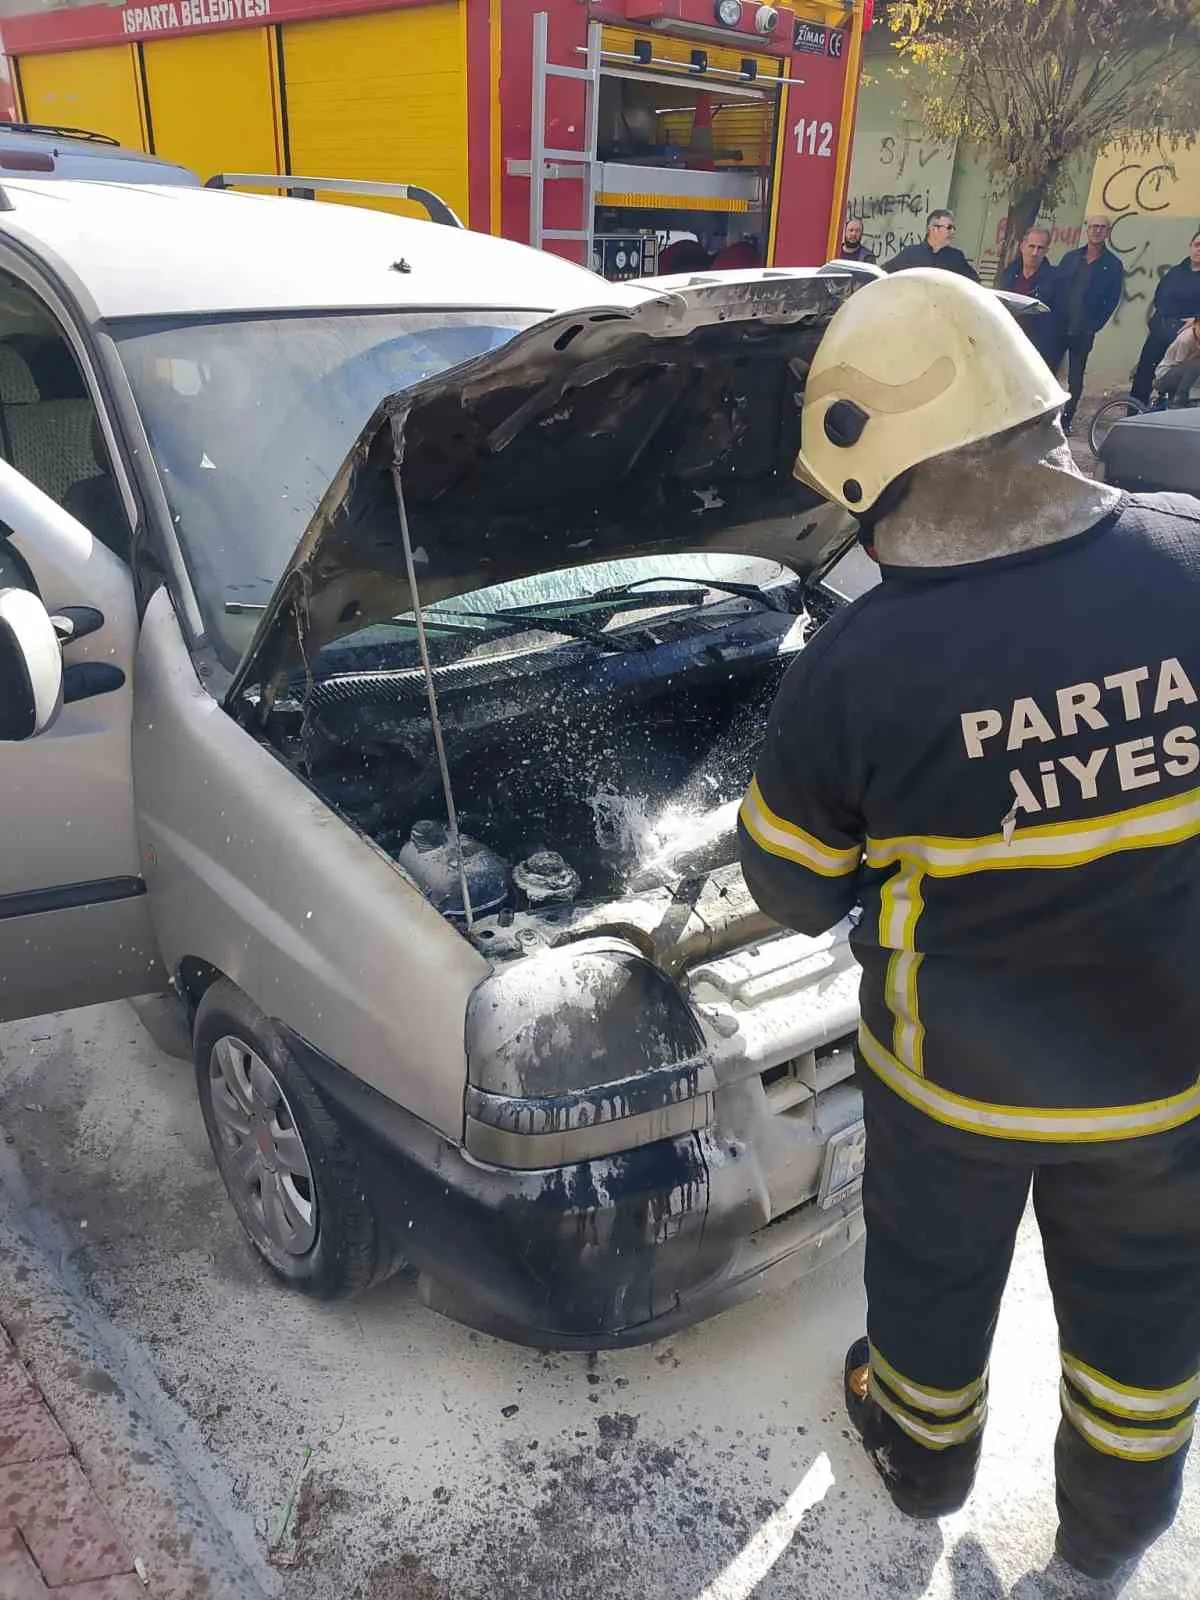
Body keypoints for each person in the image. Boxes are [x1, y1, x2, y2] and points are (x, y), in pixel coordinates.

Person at [737, 267, 1200, 1588]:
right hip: (1170, 1082)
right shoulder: (1191, 560)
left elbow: (787, 883)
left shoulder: (866, 666)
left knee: (933, 1289)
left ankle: (923, 1457)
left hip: (958, 1090)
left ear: (882, 476)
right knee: (1146, 1327)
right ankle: (1104, 1555)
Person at [1047, 216, 1124, 431]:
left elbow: (1112, 299)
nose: (1097, 231)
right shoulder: (1071, 258)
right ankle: (1043, 416)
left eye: (1101, 227)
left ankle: (1066, 419)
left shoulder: (1113, 265)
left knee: (1076, 377)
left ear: (1107, 232)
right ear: (1087, 230)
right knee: (1047, 371)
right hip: (1060, 325)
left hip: (1084, 330)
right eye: (1093, 227)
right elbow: (1056, 287)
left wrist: (1095, 325)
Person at [1131, 231, 1200, 405]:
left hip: (1184, 334)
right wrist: (1155, 324)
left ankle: (1169, 415)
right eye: (1197, 245)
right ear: (1190, 246)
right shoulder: (1175, 272)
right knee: (1144, 373)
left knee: (1175, 377)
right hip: (1160, 329)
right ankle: (1133, 415)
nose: (1199, 250)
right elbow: (1159, 297)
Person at [999, 225, 1059, 365]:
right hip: (1006, 343)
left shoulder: (1055, 280)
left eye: (1040, 248)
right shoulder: (1009, 274)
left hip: (1036, 351)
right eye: (1031, 246)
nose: (1034, 253)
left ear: (1046, 251)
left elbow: (1056, 322)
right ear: (1022, 246)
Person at [883, 209, 979, 281]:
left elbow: (974, 282)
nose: (952, 231)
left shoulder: (956, 257)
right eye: (949, 227)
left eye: (953, 228)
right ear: (932, 228)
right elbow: (884, 274)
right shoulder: (912, 253)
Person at [1154, 317, 1200, 408]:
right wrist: (1197, 353)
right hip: (1165, 374)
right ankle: (1179, 401)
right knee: (1196, 365)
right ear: (1195, 325)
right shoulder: (1185, 340)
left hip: (1181, 374)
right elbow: (1181, 365)